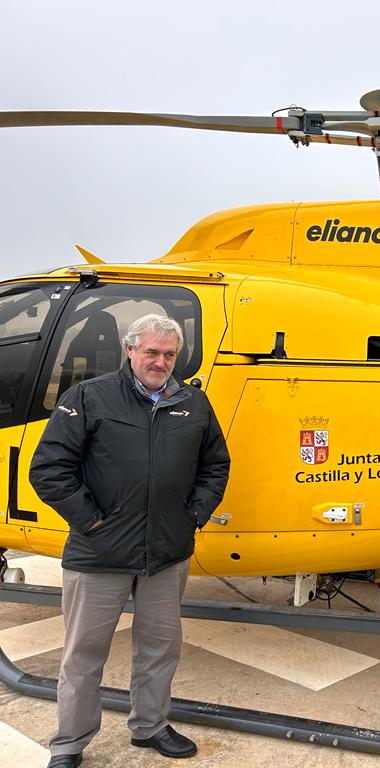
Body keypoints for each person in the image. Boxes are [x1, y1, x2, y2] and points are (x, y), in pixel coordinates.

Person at [29, 313, 230, 768]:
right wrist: (91, 522)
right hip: (98, 553)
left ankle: (151, 726)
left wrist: (192, 517)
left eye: (169, 354)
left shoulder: (193, 403)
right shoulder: (88, 397)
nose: (160, 362)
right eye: (152, 352)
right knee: (83, 655)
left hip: (166, 554)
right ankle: (69, 744)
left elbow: (215, 466)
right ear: (130, 350)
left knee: (160, 648)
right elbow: (49, 469)